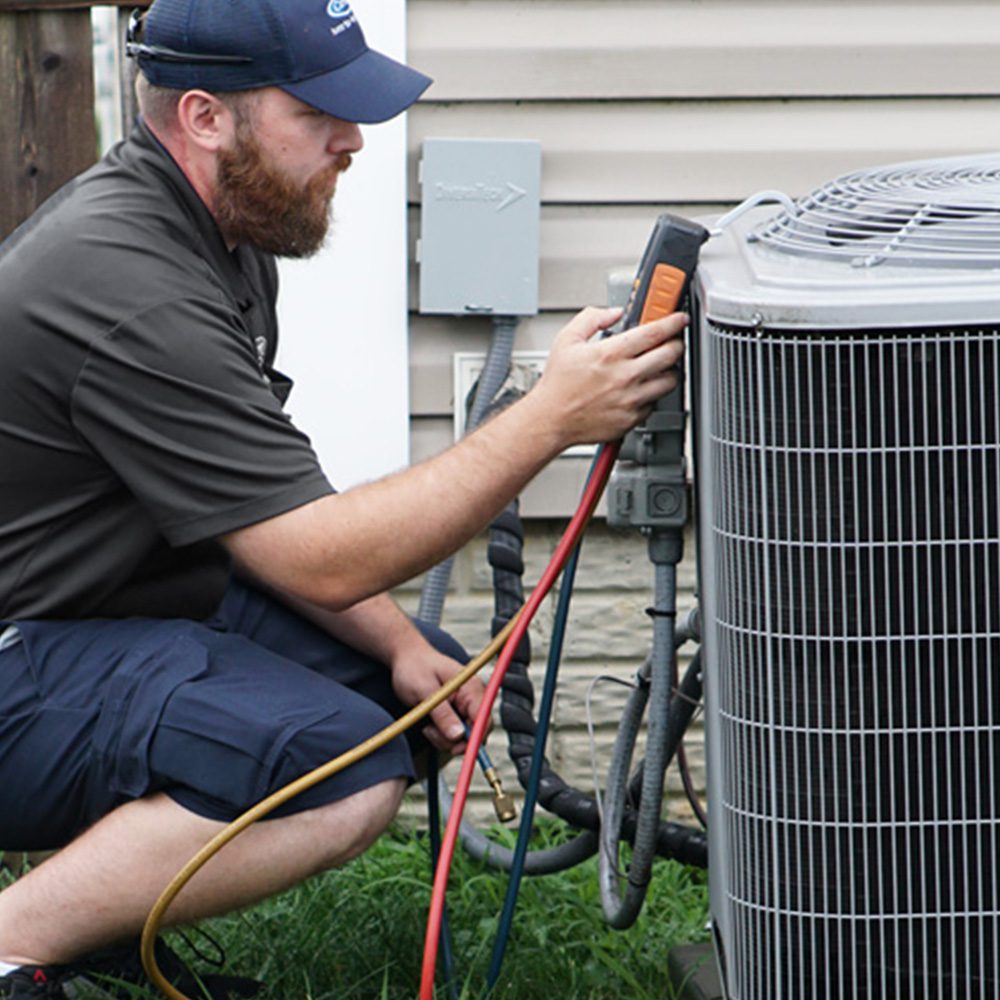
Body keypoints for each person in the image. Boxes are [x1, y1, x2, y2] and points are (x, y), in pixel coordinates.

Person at [0, 0, 687, 996]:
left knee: (411, 692)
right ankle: (18, 942)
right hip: (26, 648)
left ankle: (89, 912)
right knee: (342, 773)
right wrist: (545, 419)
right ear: (204, 117)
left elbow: (271, 520)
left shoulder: (214, 234)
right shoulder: (130, 282)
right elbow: (323, 556)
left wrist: (404, 647)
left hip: (102, 608)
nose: (352, 139)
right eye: (317, 110)